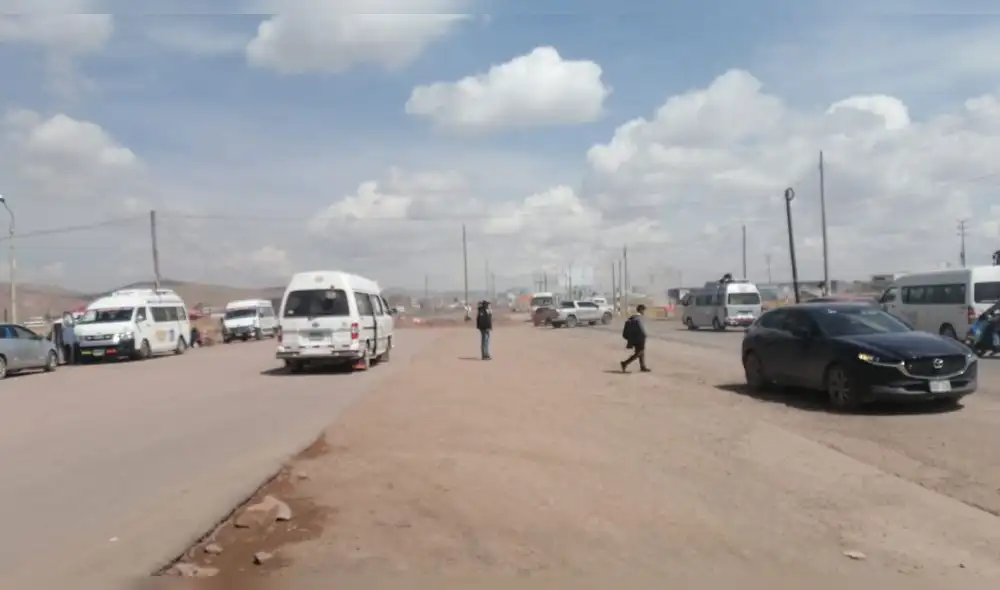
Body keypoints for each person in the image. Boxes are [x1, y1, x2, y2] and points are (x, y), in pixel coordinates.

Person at [620, 304, 650, 372]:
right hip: (639, 338)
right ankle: (625, 363)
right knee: (639, 352)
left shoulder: (633, 317)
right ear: (641, 310)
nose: (644, 312)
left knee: (641, 352)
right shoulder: (638, 318)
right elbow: (640, 328)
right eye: (643, 310)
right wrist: (645, 335)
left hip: (634, 338)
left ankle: (643, 367)